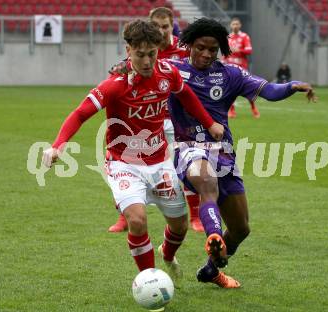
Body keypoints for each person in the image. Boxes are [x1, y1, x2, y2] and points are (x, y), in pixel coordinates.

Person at [42, 20, 224, 283]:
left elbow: (186, 96)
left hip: (160, 162)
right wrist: (58, 145)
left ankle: (168, 255)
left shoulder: (167, 73)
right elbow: (80, 114)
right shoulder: (114, 85)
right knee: (137, 221)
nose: (148, 61)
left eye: (153, 53)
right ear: (128, 50)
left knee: (180, 226)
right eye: (141, 55)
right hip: (123, 164)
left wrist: (209, 123)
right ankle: (150, 281)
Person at [168, 18, 317, 288]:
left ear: (220, 49)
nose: (205, 54)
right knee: (207, 182)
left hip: (223, 153)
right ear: (189, 44)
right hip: (187, 147)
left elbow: (268, 91)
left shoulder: (231, 74)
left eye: (212, 49)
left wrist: (292, 85)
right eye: (200, 47)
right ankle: (213, 236)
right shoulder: (172, 70)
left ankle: (211, 270)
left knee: (240, 229)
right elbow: (139, 72)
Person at [108, 7, 205, 234]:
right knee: (125, 161)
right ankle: (125, 216)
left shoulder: (183, 48)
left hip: (176, 117)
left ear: (172, 26)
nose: (161, 31)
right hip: (147, 118)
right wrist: (119, 69)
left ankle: (194, 216)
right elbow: (124, 68)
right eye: (158, 27)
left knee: (184, 165)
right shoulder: (146, 47)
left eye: (165, 26)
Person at [221, 17, 260, 119]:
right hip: (230, 67)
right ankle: (232, 110)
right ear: (230, 25)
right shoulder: (228, 37)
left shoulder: (244, 36)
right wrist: (222, 61)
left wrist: (238, 50)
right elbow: (225, 52)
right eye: (233, 24)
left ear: (240, 25)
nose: (235, 26)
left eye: (237, 24)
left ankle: (253, 107)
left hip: (242, 67)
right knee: (230, 89)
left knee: (247, 89)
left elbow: (249, 50)